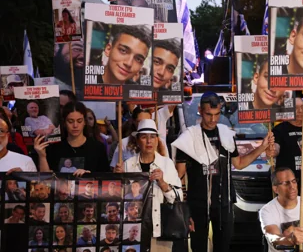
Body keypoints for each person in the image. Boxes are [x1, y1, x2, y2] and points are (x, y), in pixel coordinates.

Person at [172, 92, 275, 252]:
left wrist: (261, 148)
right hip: (198, 205)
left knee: (224, 247)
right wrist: (185, 208)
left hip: (224, 204)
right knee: (199, 247)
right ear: (200, 110)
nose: (213, 119)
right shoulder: (188, 137)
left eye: (217, 114)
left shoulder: (226, 134)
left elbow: (239, 163)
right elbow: (178, 176)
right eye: (208, 114)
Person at [115, 119, 183, 252]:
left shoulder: (166, 164)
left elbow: (178, 197)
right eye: (144, 137)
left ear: (157, 140)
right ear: (137, 141)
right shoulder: (128, 165)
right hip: (133, 231)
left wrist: (163, 184)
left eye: (152, 137)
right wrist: (119, 179)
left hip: (160, 232)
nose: (149, 141)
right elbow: (120, 198)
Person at [34, 101, 109, 175]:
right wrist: (42, 156)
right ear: (64, 123)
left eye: (79, 121)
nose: (75, 125)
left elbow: (104, 179)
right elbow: (46, 180)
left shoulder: (97, 148)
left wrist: (89, 176)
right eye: (70, 121)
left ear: (84, 122)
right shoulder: (54, 148)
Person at [270, 95, 303, 203]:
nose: (300, 111)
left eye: (302, 107)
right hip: (289, 188)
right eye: (295, 108)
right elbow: (276, 148)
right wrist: (273, 150)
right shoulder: (279, 130)